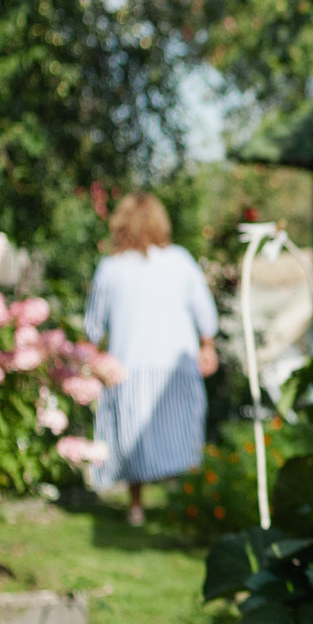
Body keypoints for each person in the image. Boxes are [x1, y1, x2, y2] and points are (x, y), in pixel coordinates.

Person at [85, 192, 220, 524]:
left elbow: (92, 325)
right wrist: (207, 344)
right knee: (182, 435)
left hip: (130, 366)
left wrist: (92, 357)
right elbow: (204, 310)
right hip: (177, 364)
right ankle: (185, 502)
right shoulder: (181, 260)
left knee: (133, 440)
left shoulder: (110, 268)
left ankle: (136, 506)